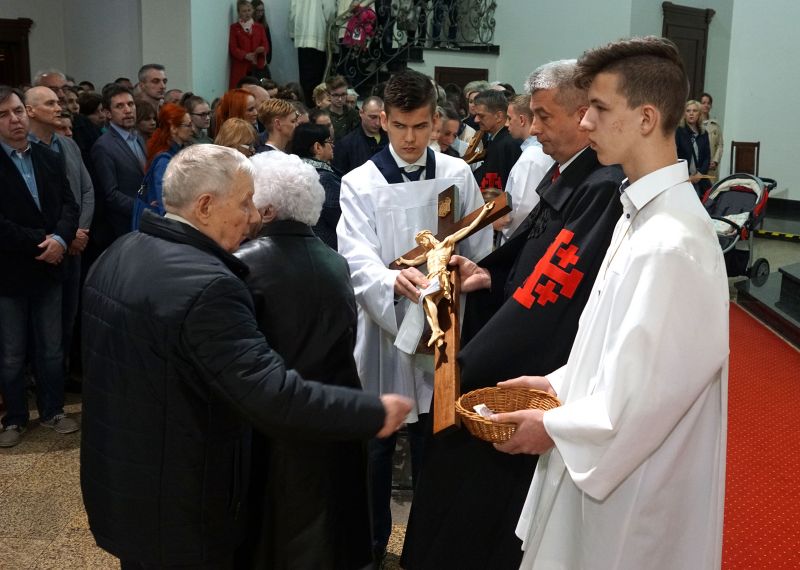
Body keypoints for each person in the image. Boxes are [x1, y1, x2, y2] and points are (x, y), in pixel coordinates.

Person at [80, 144, 412, 569]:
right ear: (205, 206)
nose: (254, 216)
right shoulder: (209, 285)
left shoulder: (120, 252)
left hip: (122, 481)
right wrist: (371, 412)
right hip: (180, 496)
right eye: (244, 202)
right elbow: (271, 393)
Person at [495, 36, 729, 570]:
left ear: (646, 118)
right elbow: (619, 347)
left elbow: (648, 397)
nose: (585, 122)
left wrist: (550, 427)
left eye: (598, 108)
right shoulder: (642, 212)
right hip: (606, 467)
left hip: (635, 488)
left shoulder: (672, 241)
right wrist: (559, 383)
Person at [401, 60, 624, 570]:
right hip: (515, 335)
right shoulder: (567, 173)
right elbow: (531, 263)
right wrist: (489, 276)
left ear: (582, 113)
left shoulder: (600, 185)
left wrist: (469, 362)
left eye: (545, 116)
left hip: (532, 360)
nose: (534, 127)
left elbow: (552, 293)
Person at [336, 69, 492, 564]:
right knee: (378, 442)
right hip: (385, 328)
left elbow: (478, 242)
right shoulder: (359, 182)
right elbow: (354, 255)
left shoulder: (456, 174)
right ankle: (371, 545)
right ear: (383, 120)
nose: (409, 138)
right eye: (400, 126)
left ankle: (428, 547)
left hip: (441, 327)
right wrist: (387, 281)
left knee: (435, 437)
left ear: (436, 121)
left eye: (421, 126)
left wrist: (468, 271)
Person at [234, 151, 372, 569]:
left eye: (248, 201)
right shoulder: (336, 261)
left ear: (267, 209)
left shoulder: (243, 265)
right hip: (334, 409)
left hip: (275, 422)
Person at [0, 86, 79, 448]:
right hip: (11, 271)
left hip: (50, 267)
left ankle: (53, 411)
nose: (14, 120)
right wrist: (43, 242)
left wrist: (61, 239)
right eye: (4, 115)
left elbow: (69, 205)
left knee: (51, 347)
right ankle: (15, 418)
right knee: (12, 353)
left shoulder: (48, 157)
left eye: (18, 111)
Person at [25, 87, 95, 380]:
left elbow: (86, 190)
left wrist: (79, 231)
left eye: (58, 102)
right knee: (41, 323)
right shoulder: (21, 148)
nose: (59, 107)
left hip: (75, 244)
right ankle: (38, 378)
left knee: (69, 315)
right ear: (30, 111)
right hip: (44, 247)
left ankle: (60, 377)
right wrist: (62, 238)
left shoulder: (68, 145)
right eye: (51, 103)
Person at [90, 84, 145, 243]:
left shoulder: (139, 137)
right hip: (124, 226)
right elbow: (111, 195)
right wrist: (142, 209)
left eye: (130, 104)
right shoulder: (103, 146)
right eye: (119, 106)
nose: (128, 110)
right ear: (108, 113)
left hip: (145, 222)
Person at [500, 94, 555, 237]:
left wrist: (505, 231)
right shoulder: (536, 151)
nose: (506, 124)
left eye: (509, 118)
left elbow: (523, 209)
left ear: (522, 120)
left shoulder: (531, 157)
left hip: (519, 236)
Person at [132, 103, 194, 230]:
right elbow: (165, 204)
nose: (192, 129)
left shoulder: (176, 153)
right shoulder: (164, 161)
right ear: (173, 128)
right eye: (188, 125)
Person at [291, 122, 342, 249]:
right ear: (318, 147)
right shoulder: (323, 178)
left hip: (298, 246)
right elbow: (340, 219)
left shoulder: (290, 174)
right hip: (326, 247)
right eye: (329, 141)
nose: (333, 145)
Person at [472, 89, 522, 195]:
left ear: (499, 116)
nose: (476, 120)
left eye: (481, 116)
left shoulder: (509, 144)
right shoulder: (496, 140)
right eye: (476, 115)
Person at [333, 96, 388, 175]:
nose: (377, 123)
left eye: (381, 118)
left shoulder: (391, 139)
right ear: (361, 113)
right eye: (373, 117)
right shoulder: (346, 144)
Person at [228, 0, 270, 89]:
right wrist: (245, 55)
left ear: (252, 11)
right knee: (241, 92)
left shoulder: (259, 27)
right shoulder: (234, 28)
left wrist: (261, 50)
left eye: (249, 10)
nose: (247, 13)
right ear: (239, 12)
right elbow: (233, 48)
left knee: (258, 91)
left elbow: (266, 44)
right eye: (244, 11)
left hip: (257, 66)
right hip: (241, 67)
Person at [675, 99, 711, 197]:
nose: (691, 114)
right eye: (688, 111)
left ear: (699, 114)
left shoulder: (704, 133)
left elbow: (707, 157)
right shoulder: (679, 132)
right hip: (683, 179)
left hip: (700, 179)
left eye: (694, 111)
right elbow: (675, 156)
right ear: (684, 114)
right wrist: (686, 175)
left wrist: (700, 173)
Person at [326, 75, 361, 141]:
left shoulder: (354, 114)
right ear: (328, 96)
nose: (340, 99)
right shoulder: (322, 114)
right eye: (336, 95)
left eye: (343, 94)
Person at [700, 91, 723, 176]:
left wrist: (715, 161)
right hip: (698, 167)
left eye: (708, 103)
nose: (706, 105)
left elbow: (720, 145)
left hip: (711, 167)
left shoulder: (715, 125)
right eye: (703, 103)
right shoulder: (694, 124)